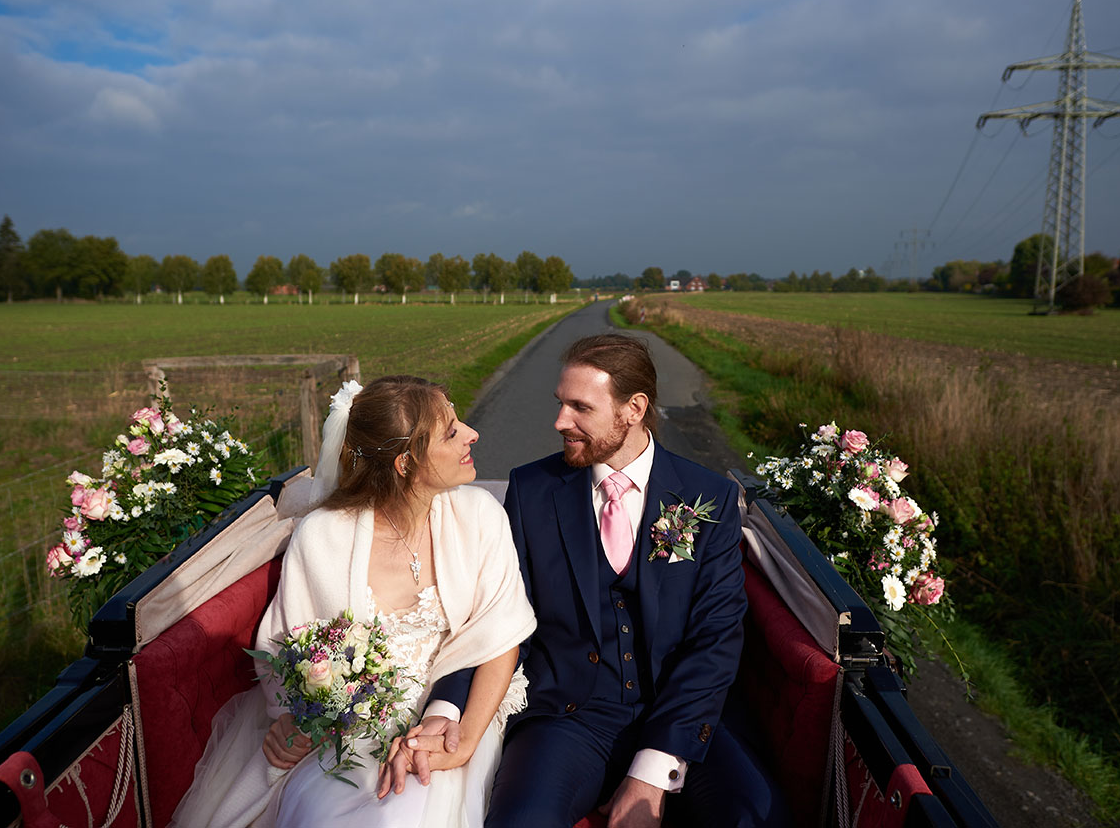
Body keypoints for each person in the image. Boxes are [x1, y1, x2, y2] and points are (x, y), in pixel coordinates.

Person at [411, 334, 787, 827]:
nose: (559, 422)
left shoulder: (707, 496)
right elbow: (497, 614)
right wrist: (448, 706)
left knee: (756, 818)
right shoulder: (533, 490)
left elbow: (714, 640)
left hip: (683, 715)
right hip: (566, 719)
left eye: (579, 407)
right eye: (560, 404)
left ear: (633, 408)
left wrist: (652, 771)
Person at [168, 375, 536, 828]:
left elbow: (502, 640)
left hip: (453, 713)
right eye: (451, 431)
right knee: (326, 814)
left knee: (410, 811)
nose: (472, 433)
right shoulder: (323, 535)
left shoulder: (481, 516)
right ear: (405, 462)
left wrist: (461, 741)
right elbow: (289, 647)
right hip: (348, 731)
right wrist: (289, 717)